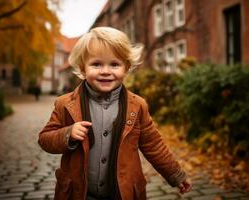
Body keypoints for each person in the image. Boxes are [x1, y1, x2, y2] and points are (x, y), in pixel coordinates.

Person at [38, 27, 191, 200]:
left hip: (122, 193)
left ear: (126, 68)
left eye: (114, 64)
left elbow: (154, 145)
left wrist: (175, 174)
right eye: (96, 64)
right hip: (79, 193)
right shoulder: (65, 104)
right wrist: (67, 134)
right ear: (83, 68)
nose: (105, 71)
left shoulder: (137, 106)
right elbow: (45, 139)